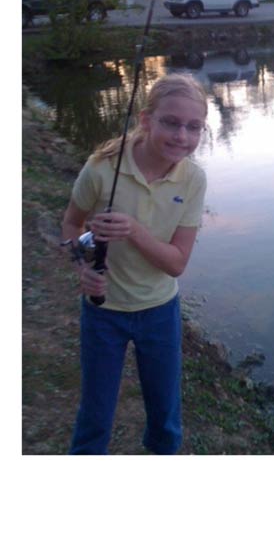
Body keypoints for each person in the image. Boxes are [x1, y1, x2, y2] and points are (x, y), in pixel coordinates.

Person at [61, 74, 208, 454]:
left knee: (165, 417)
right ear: (146, 120)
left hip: (160, 311)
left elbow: (176, 264)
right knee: (95, 414)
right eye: (170, 122)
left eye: (194, 127)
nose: (182, 136)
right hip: (103, 313)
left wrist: (134, 231)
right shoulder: (100, 169)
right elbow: (71, 225)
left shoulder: (192, 178)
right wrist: (82, 270)